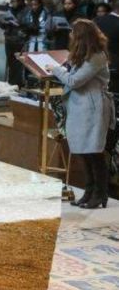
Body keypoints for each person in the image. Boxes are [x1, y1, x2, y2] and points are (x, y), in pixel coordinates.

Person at [51, 20, 114, 209]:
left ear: (81, 36)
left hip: (92, 108)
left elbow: (75, 80)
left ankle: (100, 194)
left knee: (94, 152)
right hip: (80, 107)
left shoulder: (96, 56)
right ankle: (88, 191)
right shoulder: (83, 54)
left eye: (73, 32)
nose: (70, 35)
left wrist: (56, 69)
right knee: (82, 151)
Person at [0, 0, 29, 87]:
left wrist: (19, 24)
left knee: (19, 63)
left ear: (20, 1)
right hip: (9, 39)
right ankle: (11, 82)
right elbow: (1, 24)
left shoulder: (27, 11)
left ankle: (19, 83)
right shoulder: (10, 10)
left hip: (21, 40)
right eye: (12, 1)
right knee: (11, 62)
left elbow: (30, 25)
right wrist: (4, 22)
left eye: (15, 1)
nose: (13, 3)